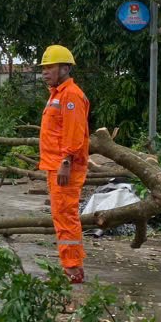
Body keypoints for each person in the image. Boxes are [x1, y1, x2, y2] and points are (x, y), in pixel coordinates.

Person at [38, 45, 90, 304]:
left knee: (67, 216)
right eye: (44, 68)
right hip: (55, 165)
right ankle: (70, 266)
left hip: (65, 167)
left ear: (65, 68)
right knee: (61, 215)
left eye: (50, 67)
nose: (45, 72)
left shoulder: (71, 96)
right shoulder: (56, 94)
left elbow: (74, 133)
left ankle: (72, 269)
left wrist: (66, 161)